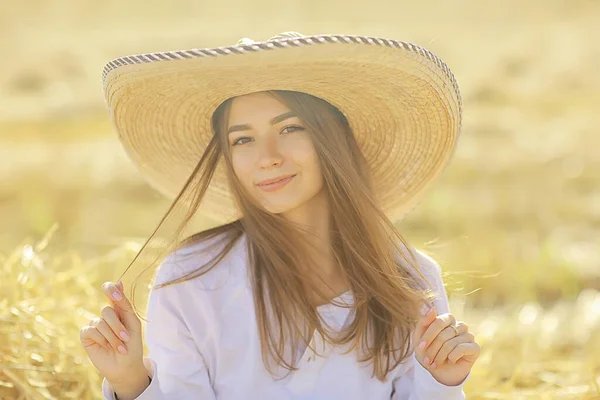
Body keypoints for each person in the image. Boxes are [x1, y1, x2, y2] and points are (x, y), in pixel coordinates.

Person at [79, 32, 480, 399]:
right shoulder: (191, 279)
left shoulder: (410, 279)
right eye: (243, 139)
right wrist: (130, 382)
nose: (267, 158)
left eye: (289, 129)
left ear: (334, 139)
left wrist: (442, 382)